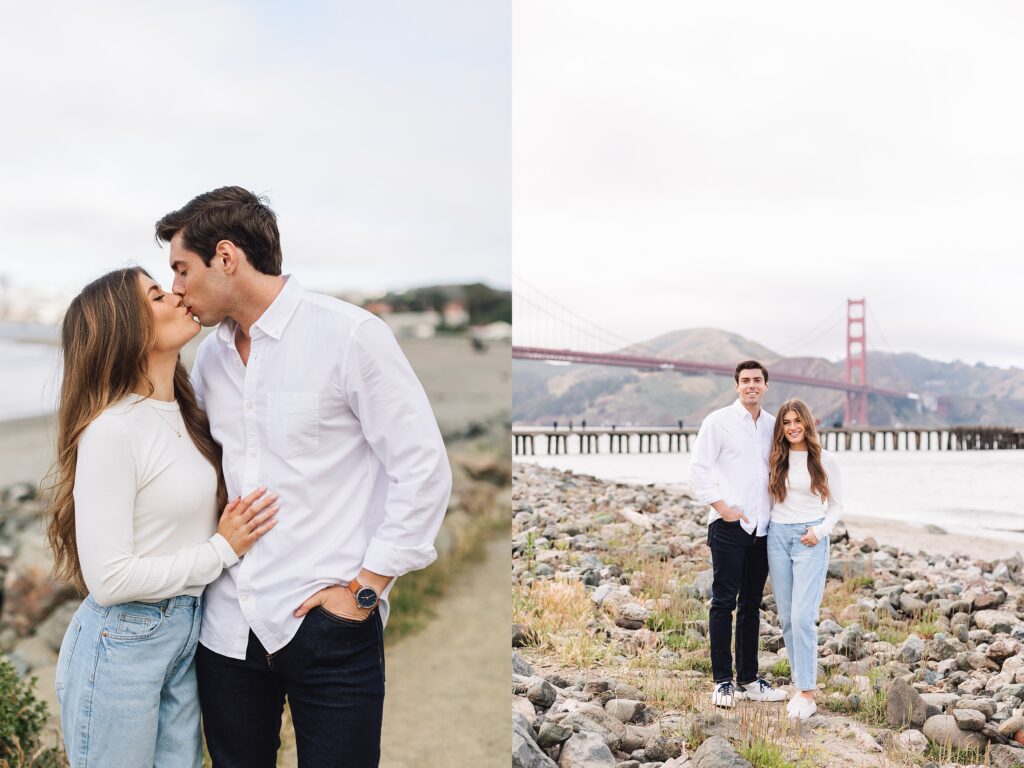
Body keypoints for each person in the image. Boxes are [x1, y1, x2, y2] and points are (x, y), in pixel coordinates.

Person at [156, 186, 452, 767]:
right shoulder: (211, 357)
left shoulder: (350, 335)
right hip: (227, 627)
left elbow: (421, 465)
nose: (176, 289)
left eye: (181, 268)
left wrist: (367, 590)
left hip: (330, 624)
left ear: (225, 257)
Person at [47, 267, 279, 767]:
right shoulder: (112, 430)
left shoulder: (191, 413)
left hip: (186, 633)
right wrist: (221, 551)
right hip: (122, 642)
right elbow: (108, 580)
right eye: (156, 295)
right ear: (124, 326)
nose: (176, 296)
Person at [690, 360, 788, 708]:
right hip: (729, 526)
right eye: (745, 380)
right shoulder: (718, 422)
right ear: (736, 386)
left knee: (751, 605)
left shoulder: (775, 425)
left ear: (765, 386)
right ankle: (722, 682)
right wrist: (723, 509)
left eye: (757, 380)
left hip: (763, 528)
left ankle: (748, 679)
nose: (751, 385)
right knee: (723, 602)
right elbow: (698, 469)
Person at [766, 398, 843, 721]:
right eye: (786, 422)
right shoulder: (776, 459)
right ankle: (800, 687)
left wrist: (820, 531)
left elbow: (837, 505)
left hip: (808, 540)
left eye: (797, 421)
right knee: (785, 618)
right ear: (780, 429)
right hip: (777, 536)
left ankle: (808, 693)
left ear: (807, 423)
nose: (793, 427)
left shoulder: (825, 459)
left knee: (802, 617)